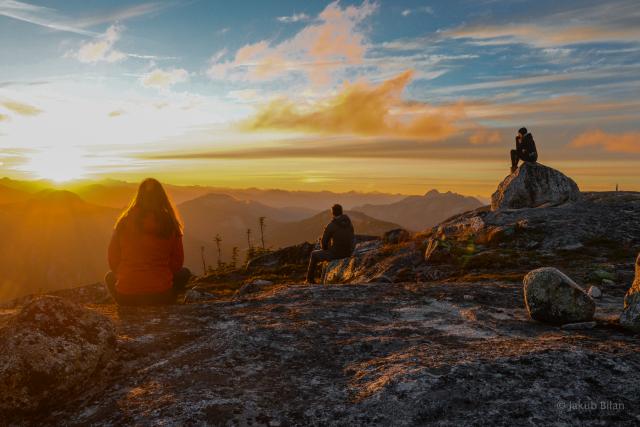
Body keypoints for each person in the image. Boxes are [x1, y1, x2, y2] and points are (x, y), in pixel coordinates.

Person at [105, 178, 191, 305]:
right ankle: (170, 301)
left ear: (139, 196)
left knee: (109, 276)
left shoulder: (124, 222)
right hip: (160, 296)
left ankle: (126, 303)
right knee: (184, 273)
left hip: (126, 297)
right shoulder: (170, 224)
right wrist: (159, 276)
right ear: (162, 198)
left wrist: (129, 277)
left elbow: (113, 259)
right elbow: (177, 263)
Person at [305, 204, 355, 284]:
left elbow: (324, 242)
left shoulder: (332, 225)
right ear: (341, 212)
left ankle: (309, 280)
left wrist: (326, 250)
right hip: (348, 252)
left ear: (332, 213)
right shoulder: (349, 223)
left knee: (314, 254)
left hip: (336, 254)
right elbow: (352, 238)